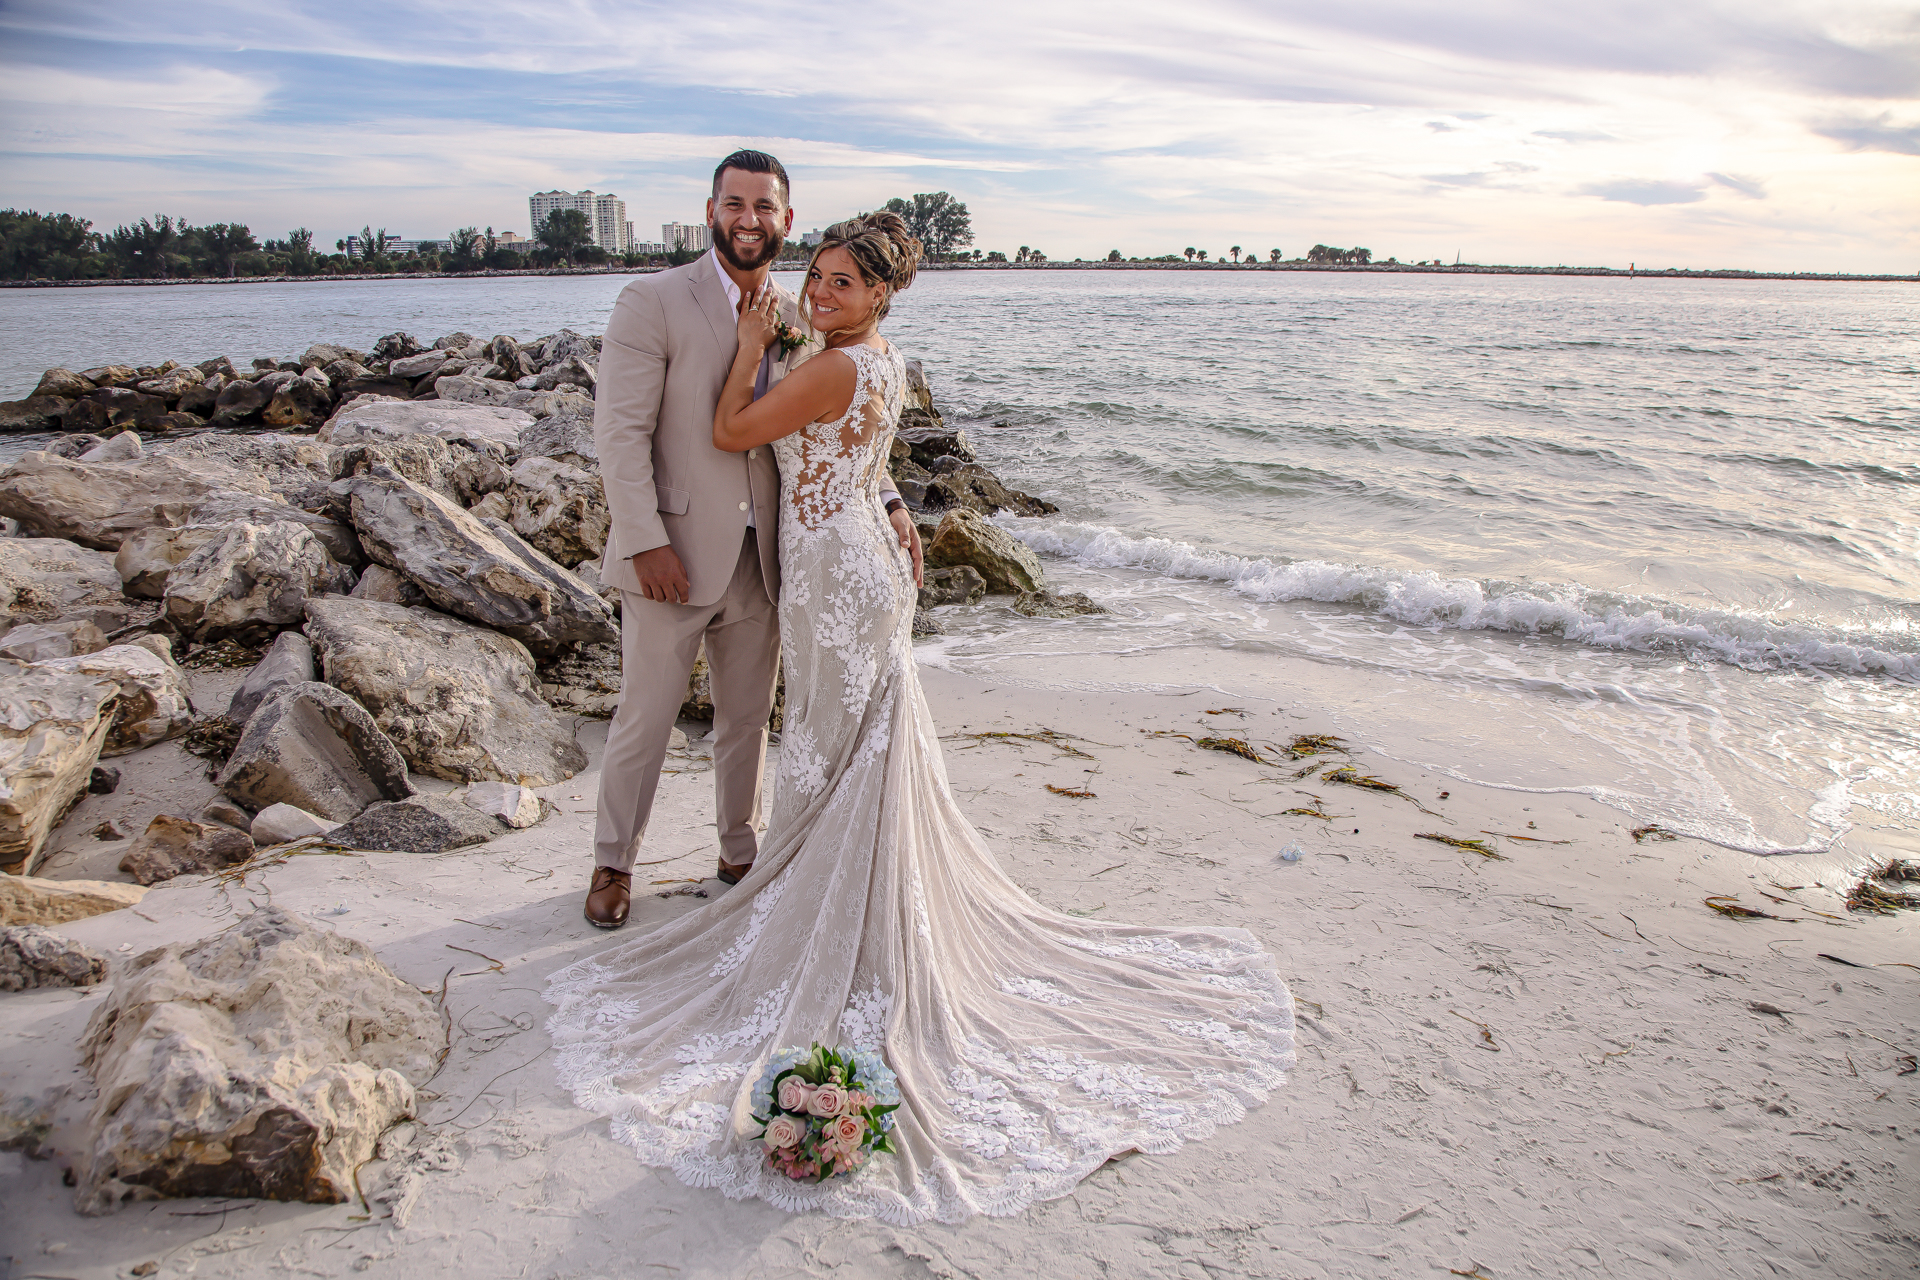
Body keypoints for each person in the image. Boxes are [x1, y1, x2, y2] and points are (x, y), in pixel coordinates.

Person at [547, 213, 1293, 1223]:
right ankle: (822, 885)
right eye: (818, 277)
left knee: (841, 742)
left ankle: (837, 915)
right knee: (850, 741)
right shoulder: (877, 360)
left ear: (882, 295)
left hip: (836, 574)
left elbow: (733, 433)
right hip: (843, 562)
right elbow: (862, 460)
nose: (820, 293)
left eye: (843, 283)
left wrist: (759, 347)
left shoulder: (827, 363)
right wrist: (898, 508)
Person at [585, 150, 920, 929]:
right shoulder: (653, 300)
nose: (748, 219)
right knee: (645, 716)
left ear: (785, 220)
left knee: (747, 720)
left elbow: (842, 427)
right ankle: (612, 864)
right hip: (673, 552)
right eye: (734, 204)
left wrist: (893, 498)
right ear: (711, 211)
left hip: (774, 559)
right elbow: (619, 434)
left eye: (763, 207)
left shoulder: (810, 313)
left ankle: (741, 851)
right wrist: (642, 540)